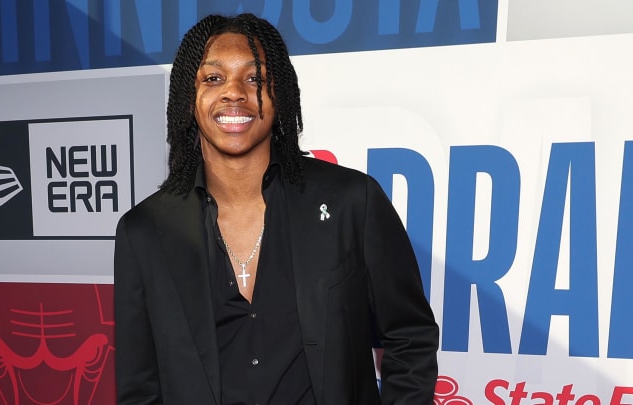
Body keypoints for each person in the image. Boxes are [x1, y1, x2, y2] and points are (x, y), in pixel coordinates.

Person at [114, 13, 439, 405]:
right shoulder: (144, 231)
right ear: (188, 97)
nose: (235, 92)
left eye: (255, 79)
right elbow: (140, 387)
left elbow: (410, 335)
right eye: (213, 78)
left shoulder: (353, 201)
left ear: (280, 95)